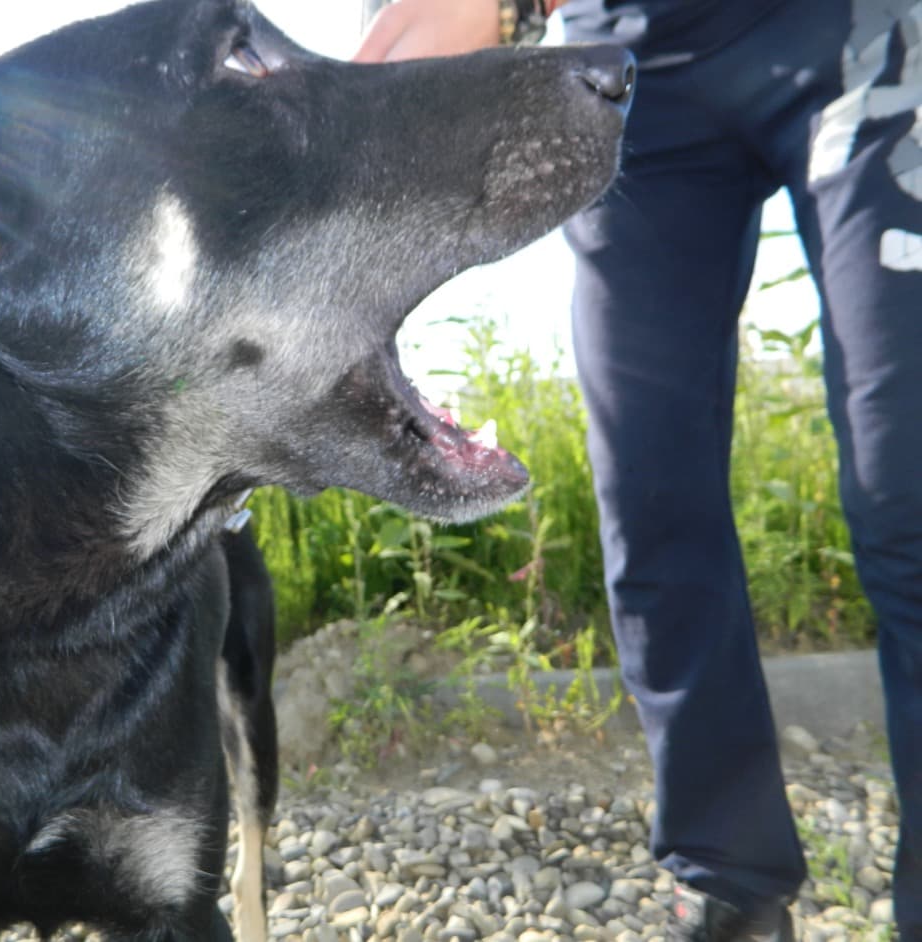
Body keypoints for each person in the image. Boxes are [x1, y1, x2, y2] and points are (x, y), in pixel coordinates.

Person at [355, 1, 922, 940]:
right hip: (628, 63)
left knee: (908, 494)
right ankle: (726, 879)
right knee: (650, 496)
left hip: (848, 37)